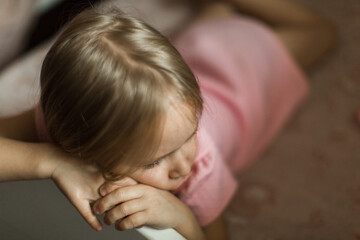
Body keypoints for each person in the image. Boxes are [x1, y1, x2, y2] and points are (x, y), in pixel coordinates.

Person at [0, 0, 337, 239]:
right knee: (210, 24)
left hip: (247, 77)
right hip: (196, 54)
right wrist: (47, 161)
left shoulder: (202, 165)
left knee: (321, 33)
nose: (181, 167)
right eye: (157, 160)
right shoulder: (66, 120)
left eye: (189, 135)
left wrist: (184, 218)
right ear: (83, 144)